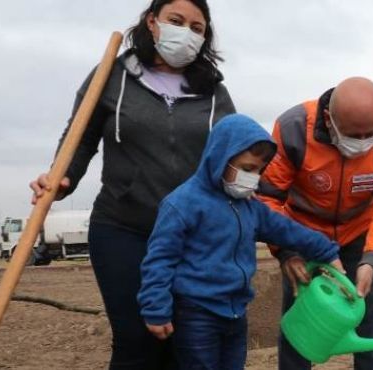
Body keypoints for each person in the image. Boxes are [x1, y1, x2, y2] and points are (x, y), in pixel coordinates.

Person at [28, 0, 235, 368]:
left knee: (185, 339)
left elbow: (233, 153)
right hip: (124, 227)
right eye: (176, 21)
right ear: (152, 23)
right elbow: (80, 138)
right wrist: (62, 179)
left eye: (197, 27)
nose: (186, 32)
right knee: (138, 337)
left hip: (190, 236)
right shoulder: (112, 75)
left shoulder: (213, 90)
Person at [137, 114, 344, 370]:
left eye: (259, 170)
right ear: (220, 157)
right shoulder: (183, 204)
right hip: (196, 314)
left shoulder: (249, 207)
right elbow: (160, 259)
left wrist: (326, 251)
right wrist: (155, 307)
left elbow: (287, 230)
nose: (253, 177)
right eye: (247, 169)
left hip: (236, 312)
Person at [257, 77, 373, 370]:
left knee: (366, 313)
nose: (362, 143)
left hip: (359, 234)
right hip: (301, 234)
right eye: (354, 134)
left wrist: (372, 259)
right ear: (329, 119)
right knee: (301, 311)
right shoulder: (293, 129)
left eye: (369, 134)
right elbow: (269, 199)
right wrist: (287, 251)